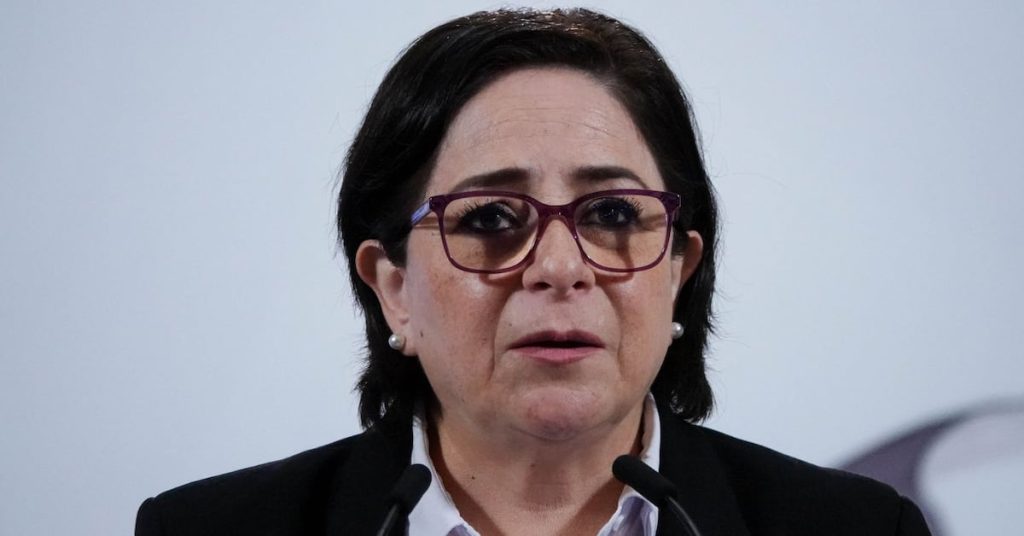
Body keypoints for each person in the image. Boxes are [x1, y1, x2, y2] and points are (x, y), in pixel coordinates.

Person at [135, 8, 931, 535]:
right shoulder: (209, 530)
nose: (558, 267)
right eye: (488, 219)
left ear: (680, 271)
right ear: (393, 288)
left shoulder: (858, 529)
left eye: (612, 214)